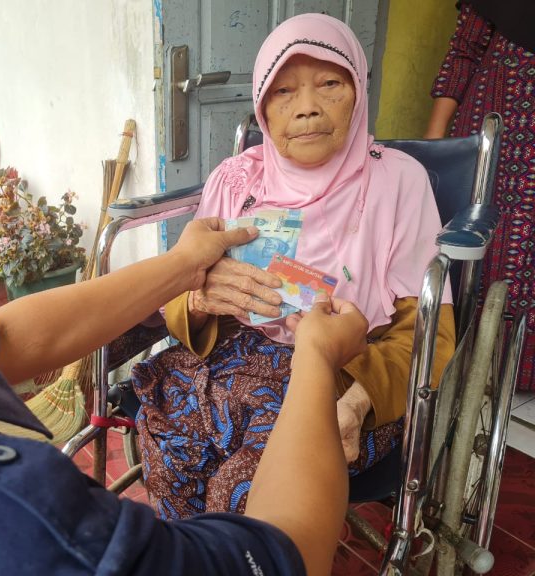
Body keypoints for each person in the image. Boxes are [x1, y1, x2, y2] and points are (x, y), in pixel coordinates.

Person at [0, 1, 375, 575]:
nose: (306, 110)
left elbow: (7, 337)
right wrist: (316, 358)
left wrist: (185, 265)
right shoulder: (8, 525)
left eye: (330, 85)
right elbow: (281, 555)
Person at [133, 13, 457, 520]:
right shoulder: (236, 180)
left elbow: (428, 332)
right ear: (262, 106)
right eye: (283, 91)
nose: (306, 107)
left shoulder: (399, 182)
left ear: (358, 91)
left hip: (344, 376)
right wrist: (197, 298)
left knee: (243, 495)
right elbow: (181, 295)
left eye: (329, 84)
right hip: (226, 365)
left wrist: (357, 402)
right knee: (170, 458)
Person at [426, 0, 535, 392]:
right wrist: (434, 143)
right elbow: (463, 53)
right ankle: (459, 362)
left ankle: (518, 368)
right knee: (475, 242)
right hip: (496, 129)